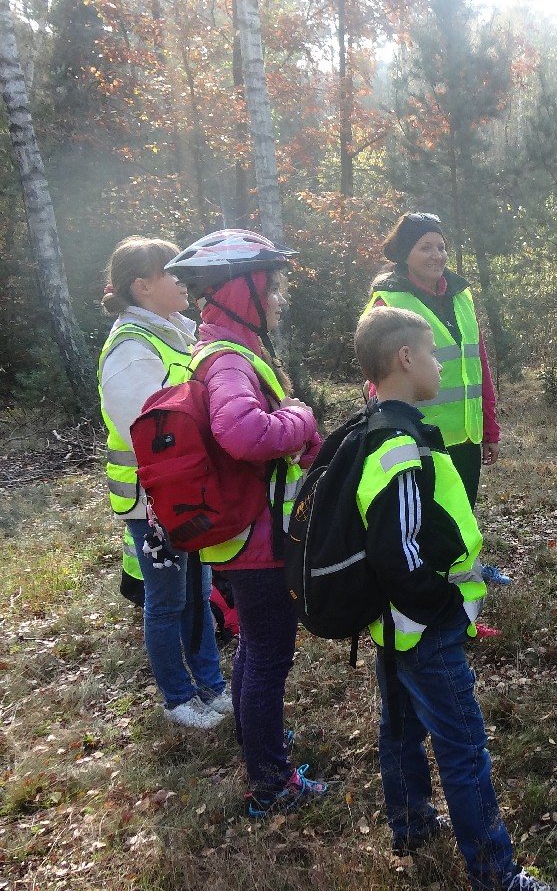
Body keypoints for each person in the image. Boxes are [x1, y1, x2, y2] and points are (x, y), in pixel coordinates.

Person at [351, 306, 554, 891]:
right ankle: (496, 876)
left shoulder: (379, 427)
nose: (441, 366)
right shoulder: (399, 446)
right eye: (433, 354)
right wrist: (442, 605)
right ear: (405, 359)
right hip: (424, 630)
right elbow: (397, 552)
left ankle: (412, 825)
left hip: (395, 626)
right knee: (464, 751)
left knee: (399, 727)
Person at [165, 229, 326, 815]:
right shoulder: (229, 359)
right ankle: (270, 783)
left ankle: (259, 744)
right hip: (258, 540)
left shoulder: (222, 348)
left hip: (244, 533)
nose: (279, 299)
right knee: (268, 655)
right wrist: (302, 417)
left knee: (256, 650)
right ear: (242, 291)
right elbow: (245, 434)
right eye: (272, 287)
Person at [98, 236, 228, 731]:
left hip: (185, 491)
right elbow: (150, 431)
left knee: (198, 591)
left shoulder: (175, 333)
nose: (183, 281)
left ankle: (211, 686)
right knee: (168, 599)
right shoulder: (131, 350)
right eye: (172, 273)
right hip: (153, 500)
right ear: (143, 286)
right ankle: (179, 698)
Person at [367, 212, 509, 627]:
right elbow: (377, 376)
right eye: (425, 247)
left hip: (465, 435)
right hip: (419, 438)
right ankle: (432, 605)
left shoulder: (461, 296)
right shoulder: (388, 301)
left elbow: (478, 364)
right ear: (404, 253)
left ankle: (465, 589)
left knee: (460, 516)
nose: (437, 255)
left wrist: (489, 427)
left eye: (441, 246)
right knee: (425, 525)